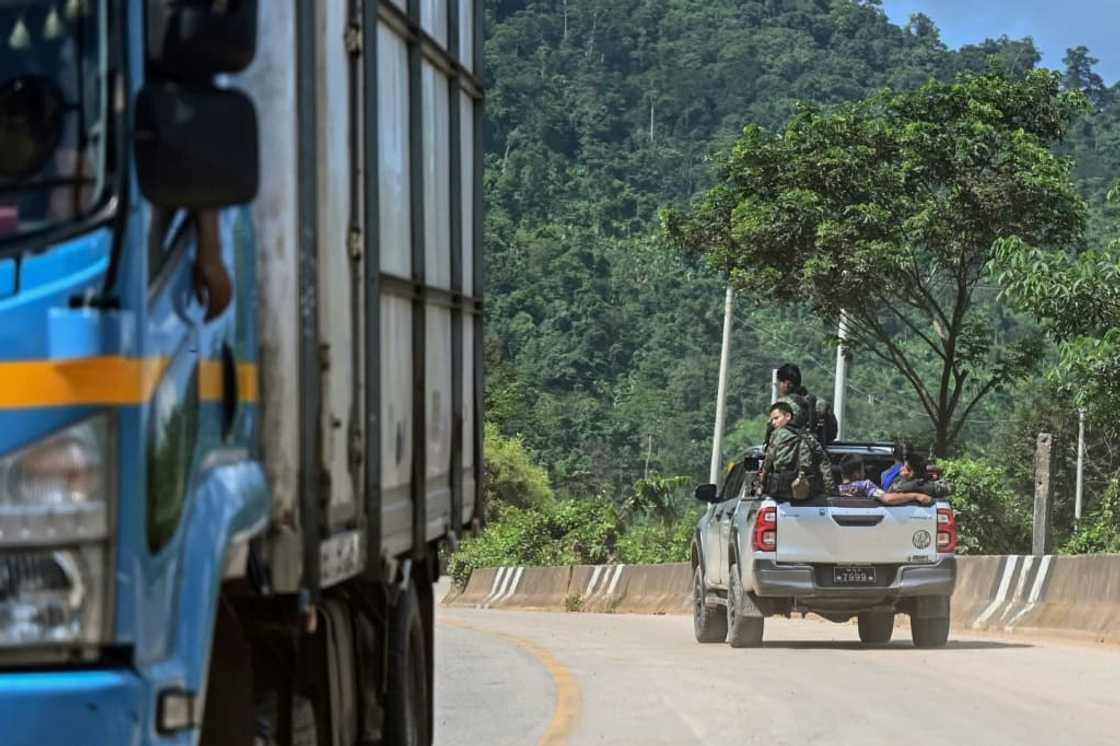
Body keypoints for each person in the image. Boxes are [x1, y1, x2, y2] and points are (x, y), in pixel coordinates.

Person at [757, 401, 836, 499]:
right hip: (809, 492)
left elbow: (769, 460)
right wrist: (830, 490)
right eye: (772, 420)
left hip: (781, 490)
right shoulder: (808, 436)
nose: (773, 422)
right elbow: (824, 461)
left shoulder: (778, 434)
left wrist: (761, 484)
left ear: (788, 416)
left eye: (776, 418)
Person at [838, 455, 935, 505]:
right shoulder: (865, 485)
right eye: (863, 470)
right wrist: (915, 496)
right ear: (856, 474)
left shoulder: (836, 490)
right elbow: (888, 499)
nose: (865, 473)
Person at [887, 450, 953, 501]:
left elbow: (889, 494)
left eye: (906, 468)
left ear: (911, 472)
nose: (901, 468)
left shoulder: (913, 485)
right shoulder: (903, 481)